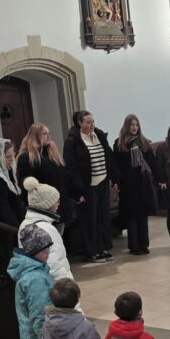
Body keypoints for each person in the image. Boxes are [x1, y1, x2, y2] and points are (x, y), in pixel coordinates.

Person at [63, 110, 118, 263]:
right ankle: (92, 252)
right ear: (79, 123)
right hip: (87, 186)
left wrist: (114, 177)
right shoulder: (72, 141)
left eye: (92, 122)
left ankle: (103, 248)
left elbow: (108, 156)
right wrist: (77, 190)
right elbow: (71, 167)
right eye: (88, 122)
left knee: (103, 217)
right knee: (90, 220)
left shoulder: (99, 135)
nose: (91, 125)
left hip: (102, 182)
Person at [113, 114, 158, 255]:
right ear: (127, 126)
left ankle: (144, 244)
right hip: (128, 184)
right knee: (132, 215)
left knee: (143, 214)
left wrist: (158, 178)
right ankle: (134, 246)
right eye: (132, 125)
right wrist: (117, 181)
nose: (134, 127)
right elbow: (116, 165)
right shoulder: (120, 143)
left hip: (142, 181)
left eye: (136, 125)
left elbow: (152, 161)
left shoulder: (143, 142)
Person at [16, 124, 74, 229]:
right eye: (44, 134)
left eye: (49, 134)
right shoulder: (26, 157)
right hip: (44, 208)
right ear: (35, 136)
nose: (48, 136)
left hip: (61, 205)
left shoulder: (53, 154)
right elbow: (25, 185)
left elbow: (63, 178)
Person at [19, 177, 73, 284]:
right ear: (46, 204)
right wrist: (67, 286)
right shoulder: (46, 228)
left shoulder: (26, 223)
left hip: (39, 283)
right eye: (55, 200)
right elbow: (54, 263)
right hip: (58, 287)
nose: (59, 203)